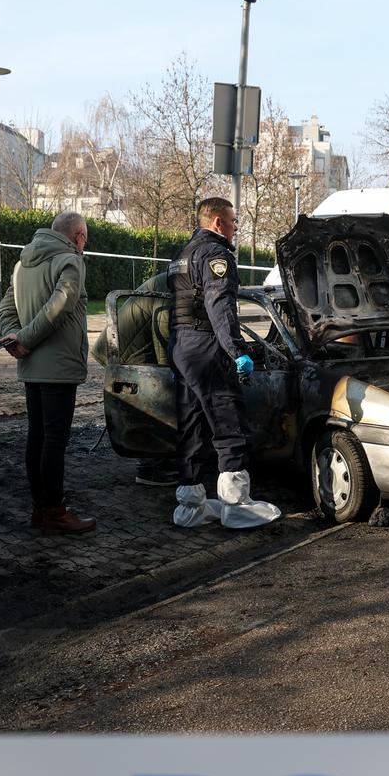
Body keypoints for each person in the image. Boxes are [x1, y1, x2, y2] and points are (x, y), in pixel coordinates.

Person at [168, 198, 281, 529]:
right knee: (228, 420)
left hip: (181, 346)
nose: (235, 227)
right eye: (233, 221)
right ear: (218, 222)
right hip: (206, 347)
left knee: (191, 425)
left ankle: (190, 506)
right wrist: (236, 350)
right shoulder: (216, 254)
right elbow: (219, 305)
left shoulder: (181, 255)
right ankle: (237, 505)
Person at [0, 212, 96, 534]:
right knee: (54, 441)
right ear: (78, 236)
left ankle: (40, 509)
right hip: (59, 367)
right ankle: (54, 511)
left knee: (37, 437)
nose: (84, 245)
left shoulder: (22, 264)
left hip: (31, 366)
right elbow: (60, 306)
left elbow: (6, 307)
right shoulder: (71, 261)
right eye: (85, 239)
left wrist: (14, 337)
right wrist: (23, 339)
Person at [90, 270, 179, 486]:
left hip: (128, 342)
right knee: (153, 401)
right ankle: (150, 468)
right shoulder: (173, 287)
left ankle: (163, 459)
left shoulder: (172, 279)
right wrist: (168, 373)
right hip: (126, 348)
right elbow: (162, 334)